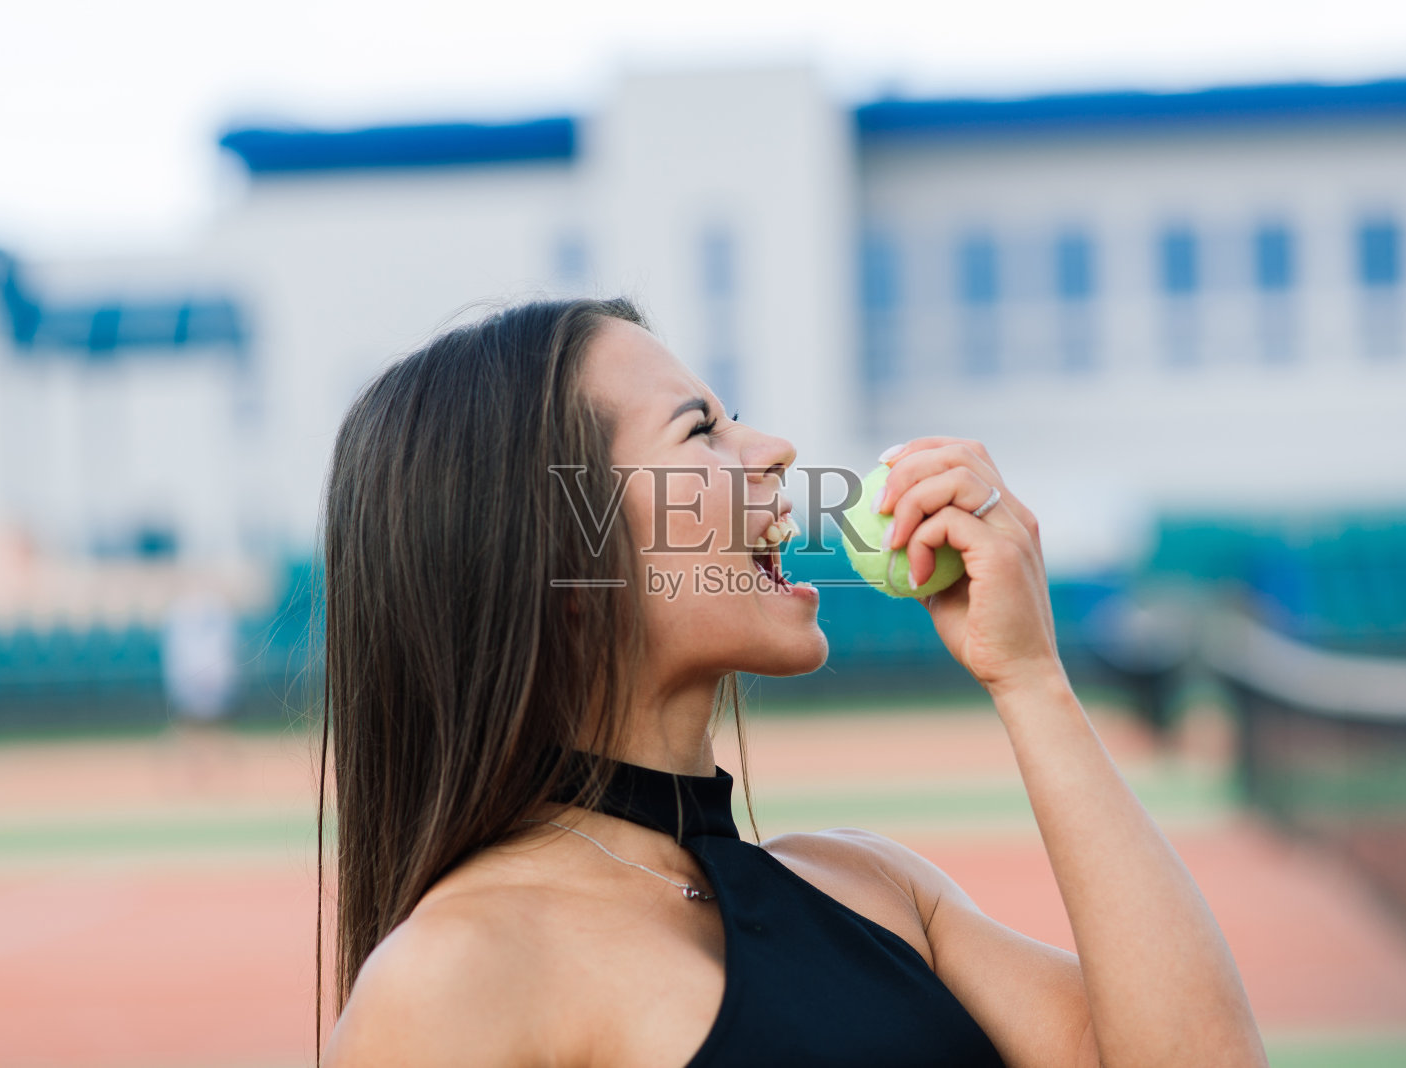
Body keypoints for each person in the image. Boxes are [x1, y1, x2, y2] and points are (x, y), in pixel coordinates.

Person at [316, 298, 1266, 1067]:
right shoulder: (455, 978)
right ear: (562, 552)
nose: (773, 450)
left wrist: (1029, 679)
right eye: (702, 430)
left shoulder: (876, 887)